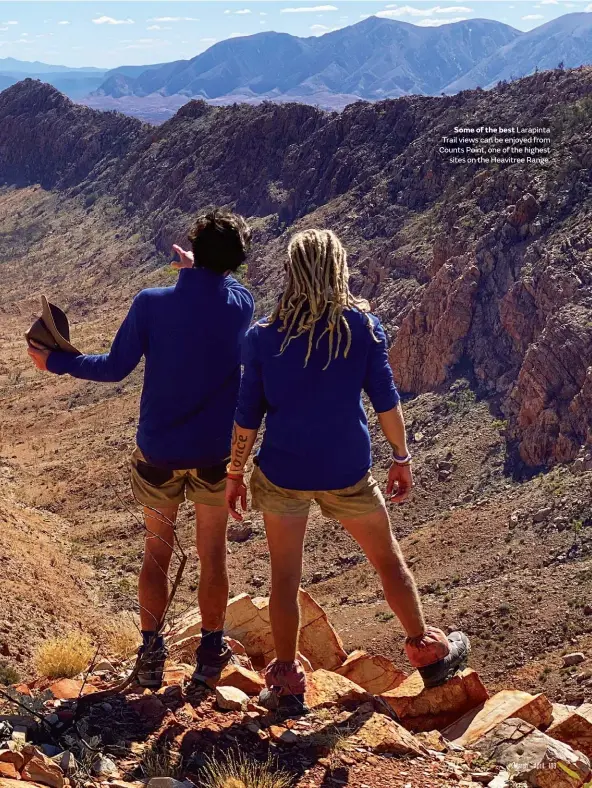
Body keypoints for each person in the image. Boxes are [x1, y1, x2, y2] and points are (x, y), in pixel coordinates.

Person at [226, 228, 469, 716]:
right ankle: (423, 649)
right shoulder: (363, 328)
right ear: (338, 269)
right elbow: (386, 402)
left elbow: (247, 413)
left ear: (292, 273)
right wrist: (401, 458)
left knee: (284, 579)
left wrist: (234, 472)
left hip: (283, 472)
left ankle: (289, 677)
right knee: (388, 561)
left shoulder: (263, 337)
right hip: (347, 471)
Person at [28, 210, 254, 690]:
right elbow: (223, 287)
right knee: (213, 556)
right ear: (234, 262)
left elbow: (113, 369)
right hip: (215, 454)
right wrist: (202, 269)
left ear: (192, 250)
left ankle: (151, 654)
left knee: (157, 552)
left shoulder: (151, 304)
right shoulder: (241, 305)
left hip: (159, 453)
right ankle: (210, 655)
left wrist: (56, 361)